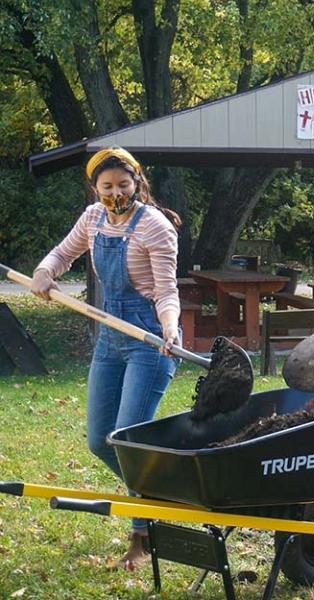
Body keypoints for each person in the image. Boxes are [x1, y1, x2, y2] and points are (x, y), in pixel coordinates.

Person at [31, 147, 182, 569]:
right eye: (106, 186)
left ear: (137, 182)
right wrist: (46, 272)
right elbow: (63, 254)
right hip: (110, 340)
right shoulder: (93, 218)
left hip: (149, 339)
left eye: (123, 184)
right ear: (95, 188)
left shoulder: (155, 227)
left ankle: (140, 536)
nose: (115, 193)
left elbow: (167, 292)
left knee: (127, 440)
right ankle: (162, 496)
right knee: (101, 440)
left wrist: (169, 328)